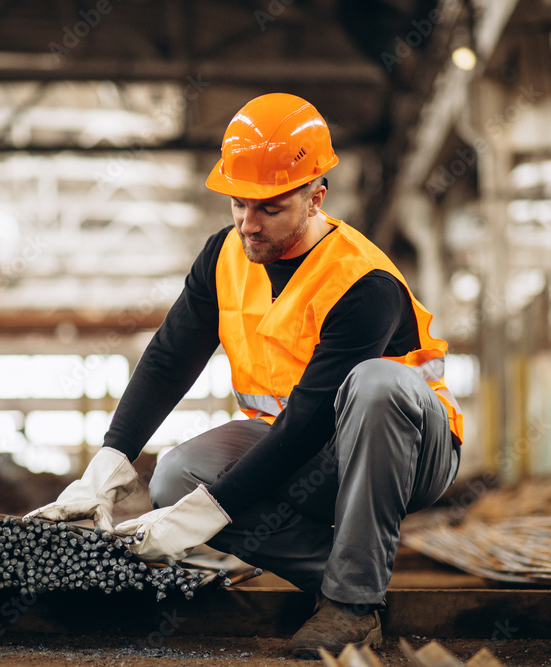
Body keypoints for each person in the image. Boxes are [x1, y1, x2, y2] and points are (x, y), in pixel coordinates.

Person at [25, 92, 463, 659]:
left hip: (410, 453)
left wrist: (206, 516)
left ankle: (352, 607)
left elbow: (309, 418)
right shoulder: (225, 256)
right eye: (238, 204)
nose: (248, 224)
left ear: (315, 198)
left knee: (377, 384)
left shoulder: (362, 282)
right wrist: (110, 460)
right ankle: (347, 573)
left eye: (270, 208)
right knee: (176, 479)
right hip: (308, 451)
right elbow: (168, 357)